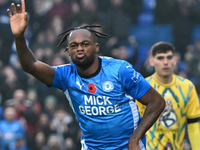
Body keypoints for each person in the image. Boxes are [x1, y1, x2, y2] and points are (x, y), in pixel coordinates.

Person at [7, 0, 165, 149]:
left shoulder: (120, 70)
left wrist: (135, 138)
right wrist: (19, 37)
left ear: (96, 47)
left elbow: (157, 102)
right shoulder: (66, 75)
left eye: (85, 44)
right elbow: (31, 65)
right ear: (68, 51)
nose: (79, 49)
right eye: (74, 46)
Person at [136, 41, 200, 150]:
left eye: (169, 58)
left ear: (175, 61)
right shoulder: (143, 87)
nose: (165, 62)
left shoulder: (188, 87)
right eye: (160, 58)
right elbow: (136, 127)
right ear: (152, 62)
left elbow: (193, 126)